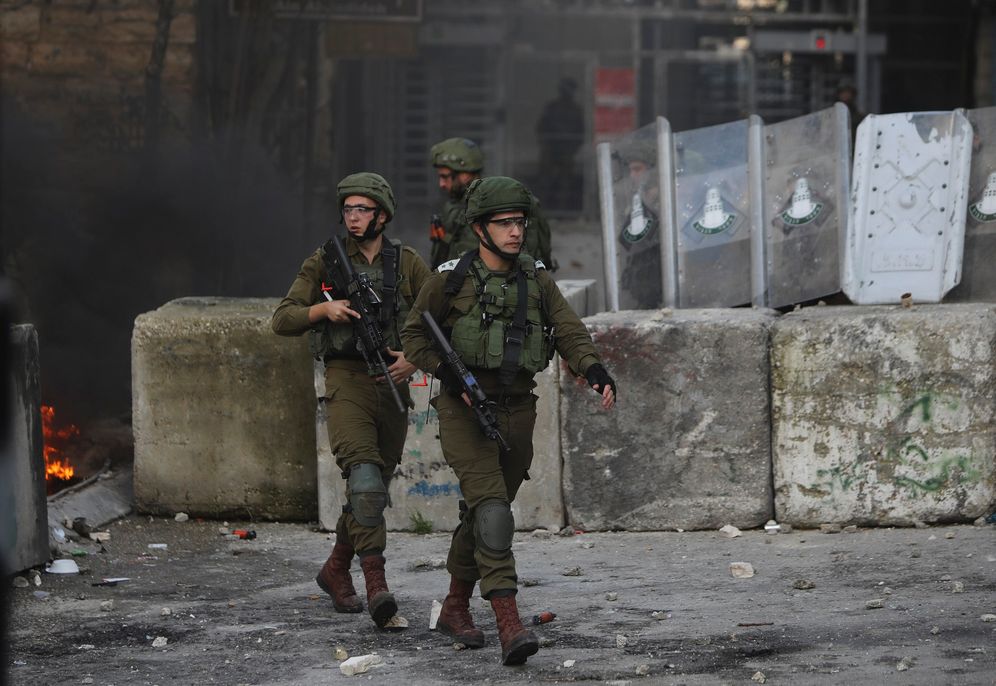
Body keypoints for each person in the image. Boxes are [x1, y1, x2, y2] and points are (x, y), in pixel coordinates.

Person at [401, 176, 616, 665]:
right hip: (463, 409)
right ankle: (509, 624)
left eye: (519, 222)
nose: (515, 232)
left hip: (518, 407)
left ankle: (455, 605)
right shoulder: (450, 279)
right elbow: (414, 337)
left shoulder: (535, 278)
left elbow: (568, 329)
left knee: (482, 513)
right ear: (479, 228)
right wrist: (447, 375)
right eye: (504, 223)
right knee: (494, 511)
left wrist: (594, 370)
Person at [271, 172, 432, 629]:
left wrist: (415, 359)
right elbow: (282, 319)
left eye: (363, 210)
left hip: (392, 381)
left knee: (372, 491)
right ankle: (376, 584)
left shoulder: (407, 262)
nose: (354, 218)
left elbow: (441, 314)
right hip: (347, 379)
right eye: (348, 209)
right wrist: (325, 309)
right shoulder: (325, 262)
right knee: (362, 482)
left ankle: (335, 569)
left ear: (382, 215)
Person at [428, 137, 555, 271]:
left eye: (445, 177)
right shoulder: (456, 206)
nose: (441, 184)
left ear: (464, 174)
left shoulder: (491, 205)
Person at [536, 77, 585, 210]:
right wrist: (546, 145)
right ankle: (543, 209)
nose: (567, 93)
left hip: (567, 151)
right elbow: (541, 128)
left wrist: (572, 149)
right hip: (551, 149)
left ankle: (562, 210)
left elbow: (581, 132)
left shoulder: (575, 110)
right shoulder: (552, 107)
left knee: (565, 183)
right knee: (546, 181)